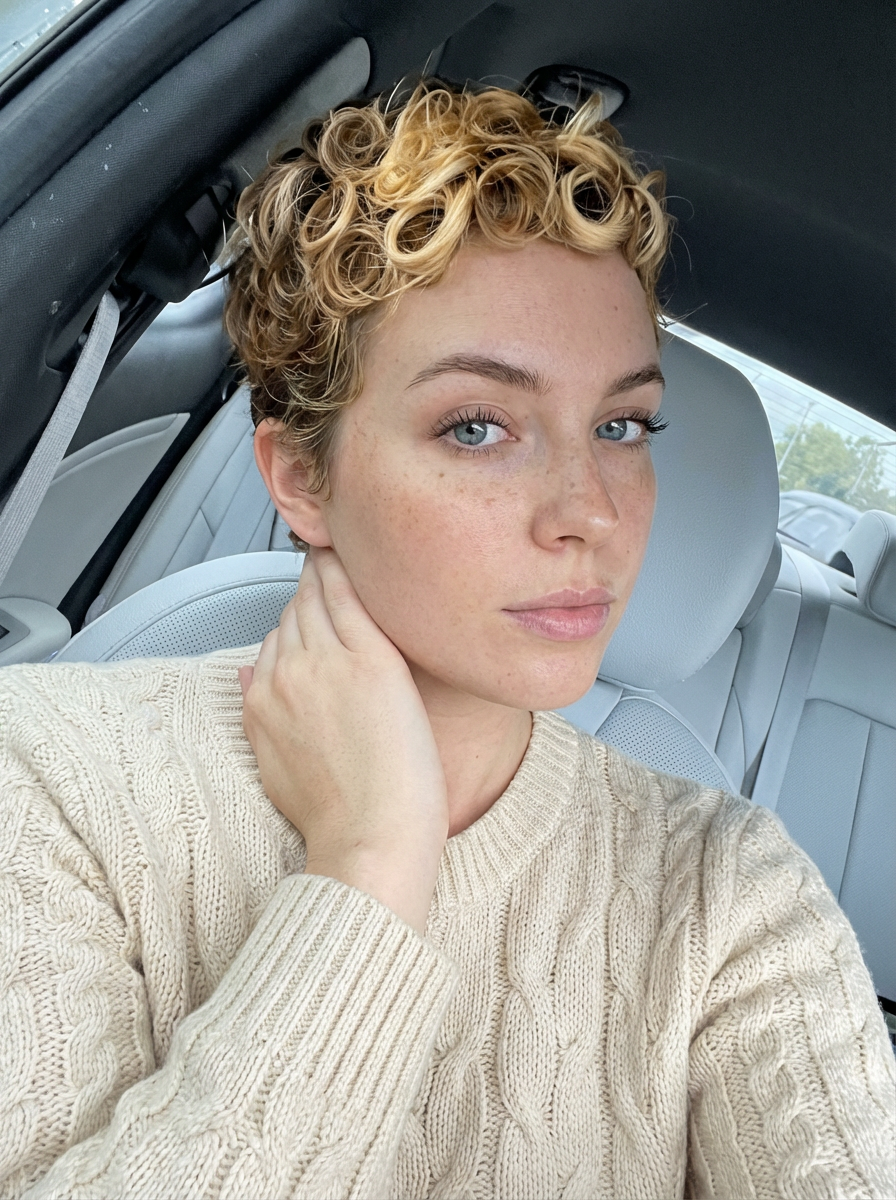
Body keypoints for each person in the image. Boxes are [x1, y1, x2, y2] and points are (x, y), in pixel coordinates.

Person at [0, 81, 893, 1200]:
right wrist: (371, 868)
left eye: (620, 426)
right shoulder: (45, 775)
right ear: (299, 479)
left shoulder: (729, 889)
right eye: (477, 426)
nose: (592, 511)